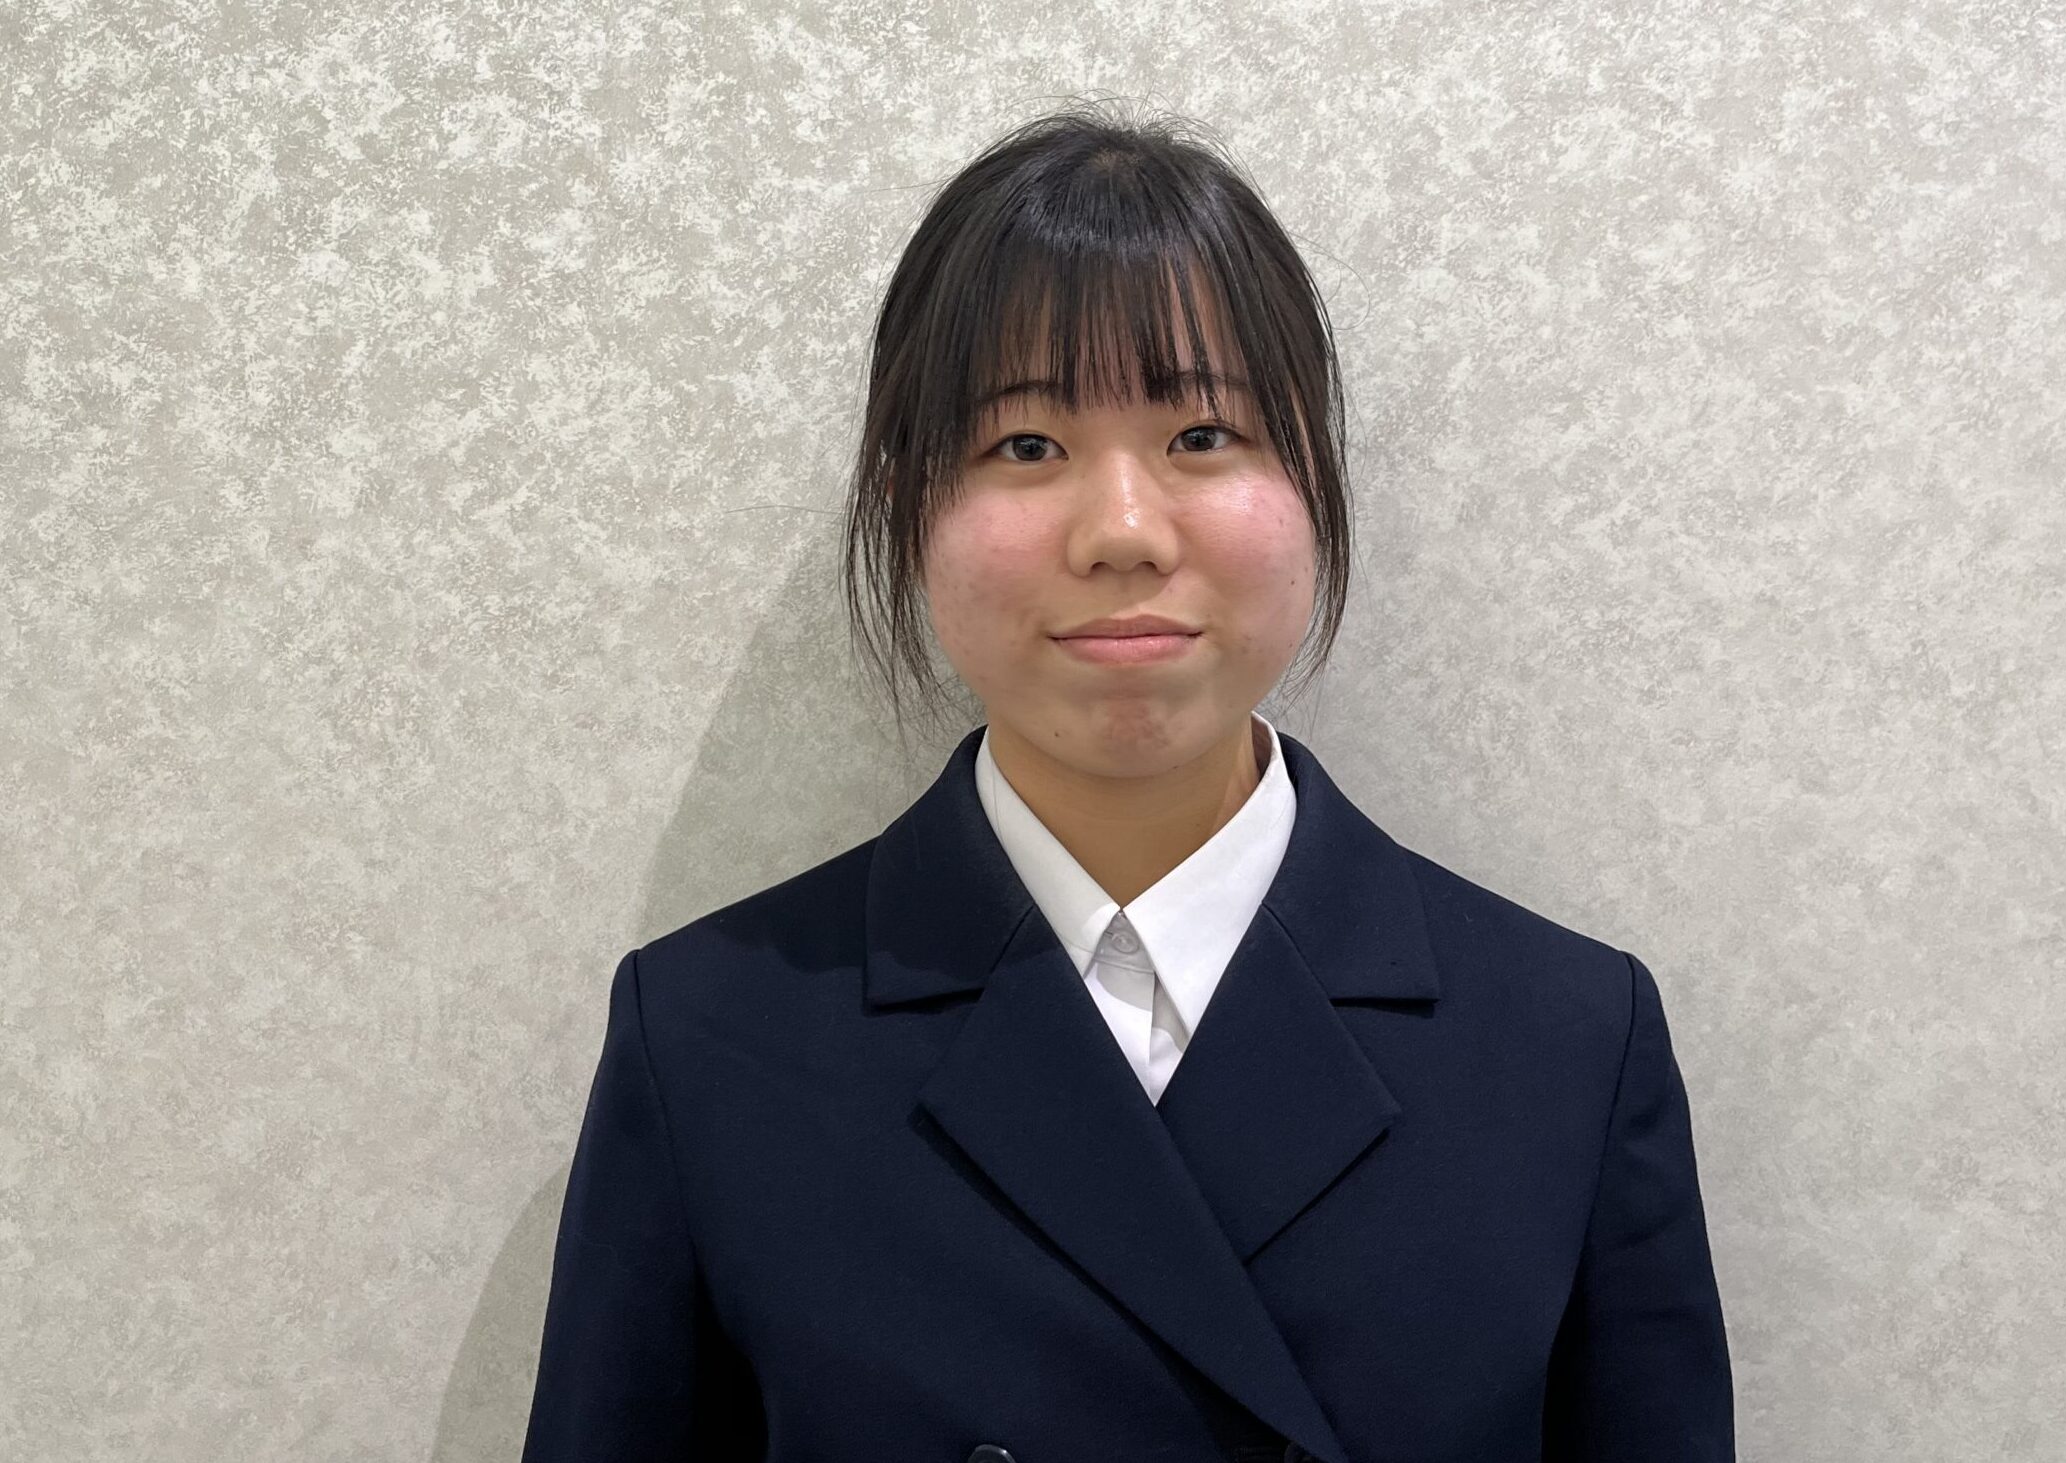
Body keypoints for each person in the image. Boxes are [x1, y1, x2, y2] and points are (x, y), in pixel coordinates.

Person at [521, 100, 1734, 1463]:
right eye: (1025, 446)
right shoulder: (712, 1040)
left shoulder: (1567, 1040)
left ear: (1313, 478)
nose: (1122, 531)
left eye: (1202, 435)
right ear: (909, 505)